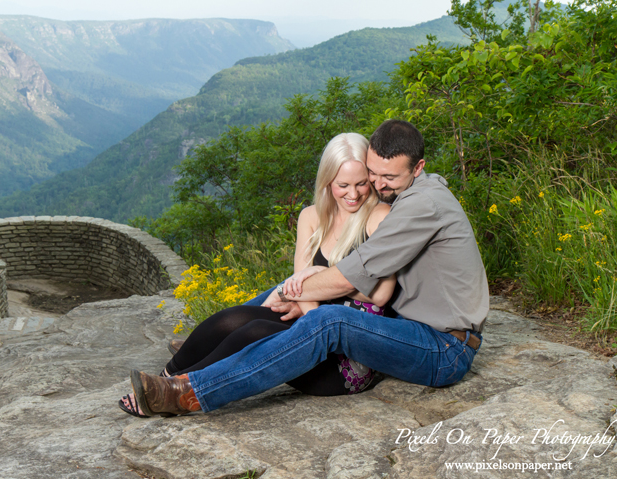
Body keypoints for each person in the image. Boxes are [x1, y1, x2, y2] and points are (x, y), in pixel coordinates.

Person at [128, 119, 489, 417]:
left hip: (443, 347)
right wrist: (295, 289)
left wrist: (295, 289)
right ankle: (204, 355)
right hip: (405, 328)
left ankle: (188, 394)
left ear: (418, 168)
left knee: (324, 318)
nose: (376, 186)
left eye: (387, 179)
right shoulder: (408, 193)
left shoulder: (418, 206)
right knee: (279, 300)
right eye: (373, 174)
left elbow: (357, 277)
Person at [119, 132, 394, 417]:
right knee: (229, 321)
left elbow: (381, 295)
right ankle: (164, 379)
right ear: (327, 182)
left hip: (347, 359)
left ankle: (172, 392)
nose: (353, 194)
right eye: (343, 185)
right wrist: (312, 315)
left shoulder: (378, 217)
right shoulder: (312, 217)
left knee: (253, 332)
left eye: (362, 183)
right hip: (310, 322)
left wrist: (322, 276)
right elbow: (302, 288)